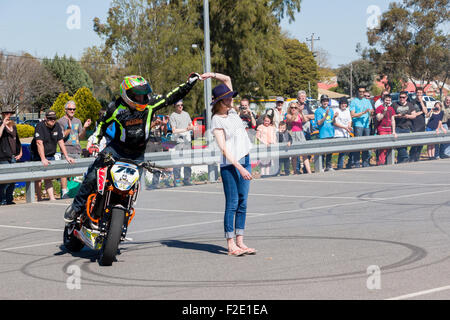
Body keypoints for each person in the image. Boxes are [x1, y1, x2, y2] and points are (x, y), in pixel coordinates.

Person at [64, 73, 201, 223]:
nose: (142, 99)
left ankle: (120, 219)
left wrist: (189, 83)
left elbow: (171, 96)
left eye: (144, 95)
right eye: (138, 95)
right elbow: (102, 126)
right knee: (93, 174)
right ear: (127, 94)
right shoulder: (114, 108)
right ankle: (77, 207)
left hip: (138, 154)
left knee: (132, 188)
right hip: (116, 150)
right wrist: (94, 143)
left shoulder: (149, 105)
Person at [204, 71, 256, 257]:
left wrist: (209, 74)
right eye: (226, 98)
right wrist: (239, 167)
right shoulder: (217, 119)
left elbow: (227, 79)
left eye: (230, 97)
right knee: (232, 203)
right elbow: (224, 148)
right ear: (219, 102)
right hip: (230, 164)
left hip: (245, 159)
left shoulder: (233, 112)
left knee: (243, 202)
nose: (231, 100)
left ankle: (240, 240)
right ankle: (230, 243)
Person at [31, 110, 75, 201]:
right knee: (38, 178)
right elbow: (39, 143)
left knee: (48, 177)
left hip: (50, 154)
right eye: (50, 119)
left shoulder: (57, 126)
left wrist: (66, 156)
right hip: (38, 155)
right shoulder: (40, 126)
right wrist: (43, 158)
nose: (53, 120)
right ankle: (39, 198)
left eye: (54, 118)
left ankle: (52, 198)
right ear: (46, 118)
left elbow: (61, 142)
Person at [57, 100, 92, 198]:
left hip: (77, 150)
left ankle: (76, 192)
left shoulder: (78, 121)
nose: (72, 111)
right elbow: (61, 137)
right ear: (65, 110)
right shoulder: (60, 121)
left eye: (74, 109)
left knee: (78, 173)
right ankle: (64, 192)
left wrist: (84, 127)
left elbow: (81, 137)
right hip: (66, 150)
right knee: (64, 172)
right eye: (70, 109)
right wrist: (68, 128)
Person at [0, 106, 22, 205]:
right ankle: (2, 199)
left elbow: (17, 140)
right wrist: (3, 125)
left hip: (14, 156)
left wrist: (20, 152)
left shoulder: (14, 125)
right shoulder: (1, 125)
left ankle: (9, 199)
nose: (8, 115)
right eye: (6, 113)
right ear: (3, 114)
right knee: (5, 180)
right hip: (4, 156)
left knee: (13, 180)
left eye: (10, 113)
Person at [170, 99, 194, 187]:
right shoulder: (173, 116)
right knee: (177, 162)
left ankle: (187, 178)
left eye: (182, 105)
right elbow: (174, 130)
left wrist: (191, 127)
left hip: (187, 141)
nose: (180, 106)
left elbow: (190, 125)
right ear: (175, 106)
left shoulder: (186, 114)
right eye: (178, 105)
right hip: (178, 142)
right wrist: (185, 129)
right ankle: (177, 180)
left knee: (188, 161)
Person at [349, 87, 374, 168]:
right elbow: (352, 114)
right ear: (357, 92)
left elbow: (371, 111)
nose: (362, 93)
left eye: (363, 92)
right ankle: (356, 163)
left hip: (366, 125)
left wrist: (371, 112)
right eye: (360, 91)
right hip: (358, 125)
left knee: (366, 145)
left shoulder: (367, 101)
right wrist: (363, 113)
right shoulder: (354, 101)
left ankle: (365, 163)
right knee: (358, 145)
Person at [285, 101, 311, 174]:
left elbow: (305, 120)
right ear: (289, 108)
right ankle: (295, 171)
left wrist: (301, 112)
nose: (293, 109)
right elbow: (291, 119)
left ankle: (309, 172)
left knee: (305, 154)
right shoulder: (288, 115)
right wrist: (297, 111)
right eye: (292, 107)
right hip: (293, 134)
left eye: (295, 107)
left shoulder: (299, 114)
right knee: (295, 155)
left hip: (300, 134)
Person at [393, 91, 416, 163]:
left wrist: (407, 116)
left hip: (406, 128)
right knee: (398, 145)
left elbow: (414, 115)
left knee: (404, 146)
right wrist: (397, 115)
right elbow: (391, 115)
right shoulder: (394, 104)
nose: (401, 99)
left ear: (406, 98)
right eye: (400, 97)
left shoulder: (410, 105)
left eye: (403, 97)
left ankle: (401, 162)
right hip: (397, 128)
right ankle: (406, 157)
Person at [315, 95, 337, 171]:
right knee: (323, 151)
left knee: (329, 152)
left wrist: (334, 117)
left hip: (331, 133)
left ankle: (328, 166)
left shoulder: (331, 110)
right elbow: (318, 123)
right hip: (323, 134)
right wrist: (325, 116)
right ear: (321, 102)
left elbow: (332, 122)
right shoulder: (318, 111)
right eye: (324, 101)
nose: (325, 102)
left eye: (326, 101)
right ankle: (321, 167)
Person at [375, 94, 397, 165]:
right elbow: (378, 118)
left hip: (389, 130)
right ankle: (381, 162)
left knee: (389, 147)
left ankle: (388, 162)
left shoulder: (391, 109)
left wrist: (394, 131)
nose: (388, 102)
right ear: (383, 100)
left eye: (389, 100)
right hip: (382, 129)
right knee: (383, 148)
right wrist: (384, 112)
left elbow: (393, 120)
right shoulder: (379, 108)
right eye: (387, 100)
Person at [333, 98, 352, 170]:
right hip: (339, 134)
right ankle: (340, 166)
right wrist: (344, 127)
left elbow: (349, 121)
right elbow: (335, 123)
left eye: (345, 103)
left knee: (346, 152)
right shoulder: (337, 111)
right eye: (342, 103)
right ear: (340, 104)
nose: (344, 105)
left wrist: (349, 126)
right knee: (341, 152)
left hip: (346, 134)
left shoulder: (347, 111)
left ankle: (348, 164)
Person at [409, 87, 428, 162]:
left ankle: (417, 157)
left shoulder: (424, 102)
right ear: (415, 93)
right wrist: (420, 112)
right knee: (415, 142)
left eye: (420, 93)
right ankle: (412, 156)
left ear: (422, 93)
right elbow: (412, 114)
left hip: (422, 124)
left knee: (421, 142)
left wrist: (421, 102)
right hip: (415, 124)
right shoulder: (412, 102)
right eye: (418, 93)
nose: (419, 94)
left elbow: (426, 112)